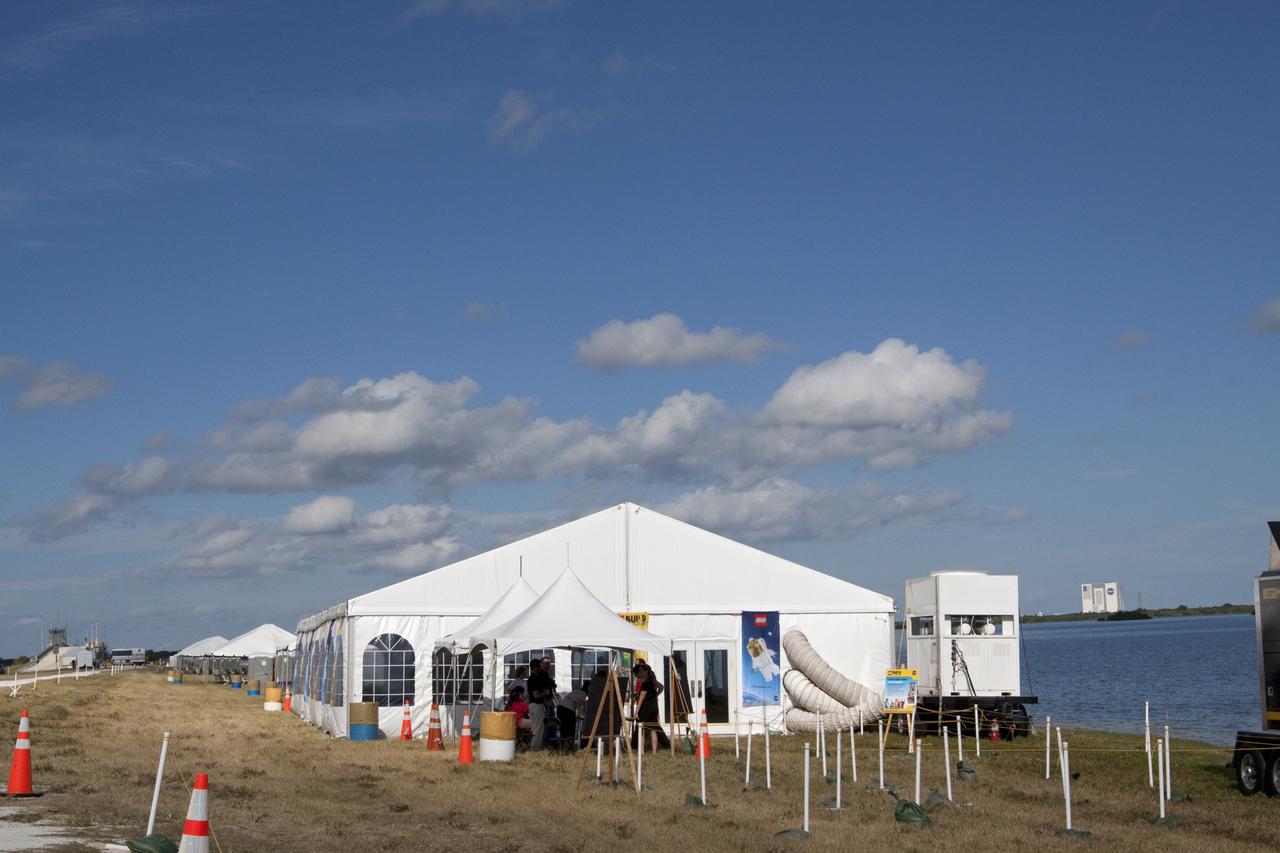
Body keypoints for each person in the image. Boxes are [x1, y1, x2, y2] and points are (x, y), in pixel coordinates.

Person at [634, 665, 670, 752]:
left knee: (641, 729)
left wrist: (636, 712)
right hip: (654, 707)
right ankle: (654, 751)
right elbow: (661, 687)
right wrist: (655, 695)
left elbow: (641, 699)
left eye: (641, 671)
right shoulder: (652, 681)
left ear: (645, 672)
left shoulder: (646, 684)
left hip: (646, 708)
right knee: (653, 729)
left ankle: (641, 751)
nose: (640, 673)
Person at [526, 658, 556, 750]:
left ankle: (533, 745)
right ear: (535, 667)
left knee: (535, 726)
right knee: (539, 727)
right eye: (540, 666)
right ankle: (535, 747)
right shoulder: (534, 678)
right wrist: (545, 693)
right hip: (536, 705)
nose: (541, 668)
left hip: (532, 705)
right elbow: (535, 695)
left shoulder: (531, 678)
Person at [556, 680, 588, 751]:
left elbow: (580, 706)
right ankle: (567, 748)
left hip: (560, 708)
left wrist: (580, 714)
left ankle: (563, 747)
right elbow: (579, 707)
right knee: (570, 730)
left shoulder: (576, 692)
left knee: (563, 728)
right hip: (568, 710)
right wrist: (583, 715)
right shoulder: (583, 695)